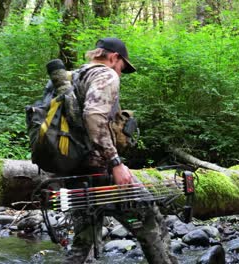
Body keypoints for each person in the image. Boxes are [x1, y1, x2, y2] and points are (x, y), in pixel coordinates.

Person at [64, 37, 178, 264]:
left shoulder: (75, 76)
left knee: (83, 245)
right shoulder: (106, 75)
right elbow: (94, 116)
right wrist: (116, 163)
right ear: (114, 57)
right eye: (122, 67)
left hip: (75, 173)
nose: (121, 72)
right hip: (101, 172)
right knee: (151, 223)